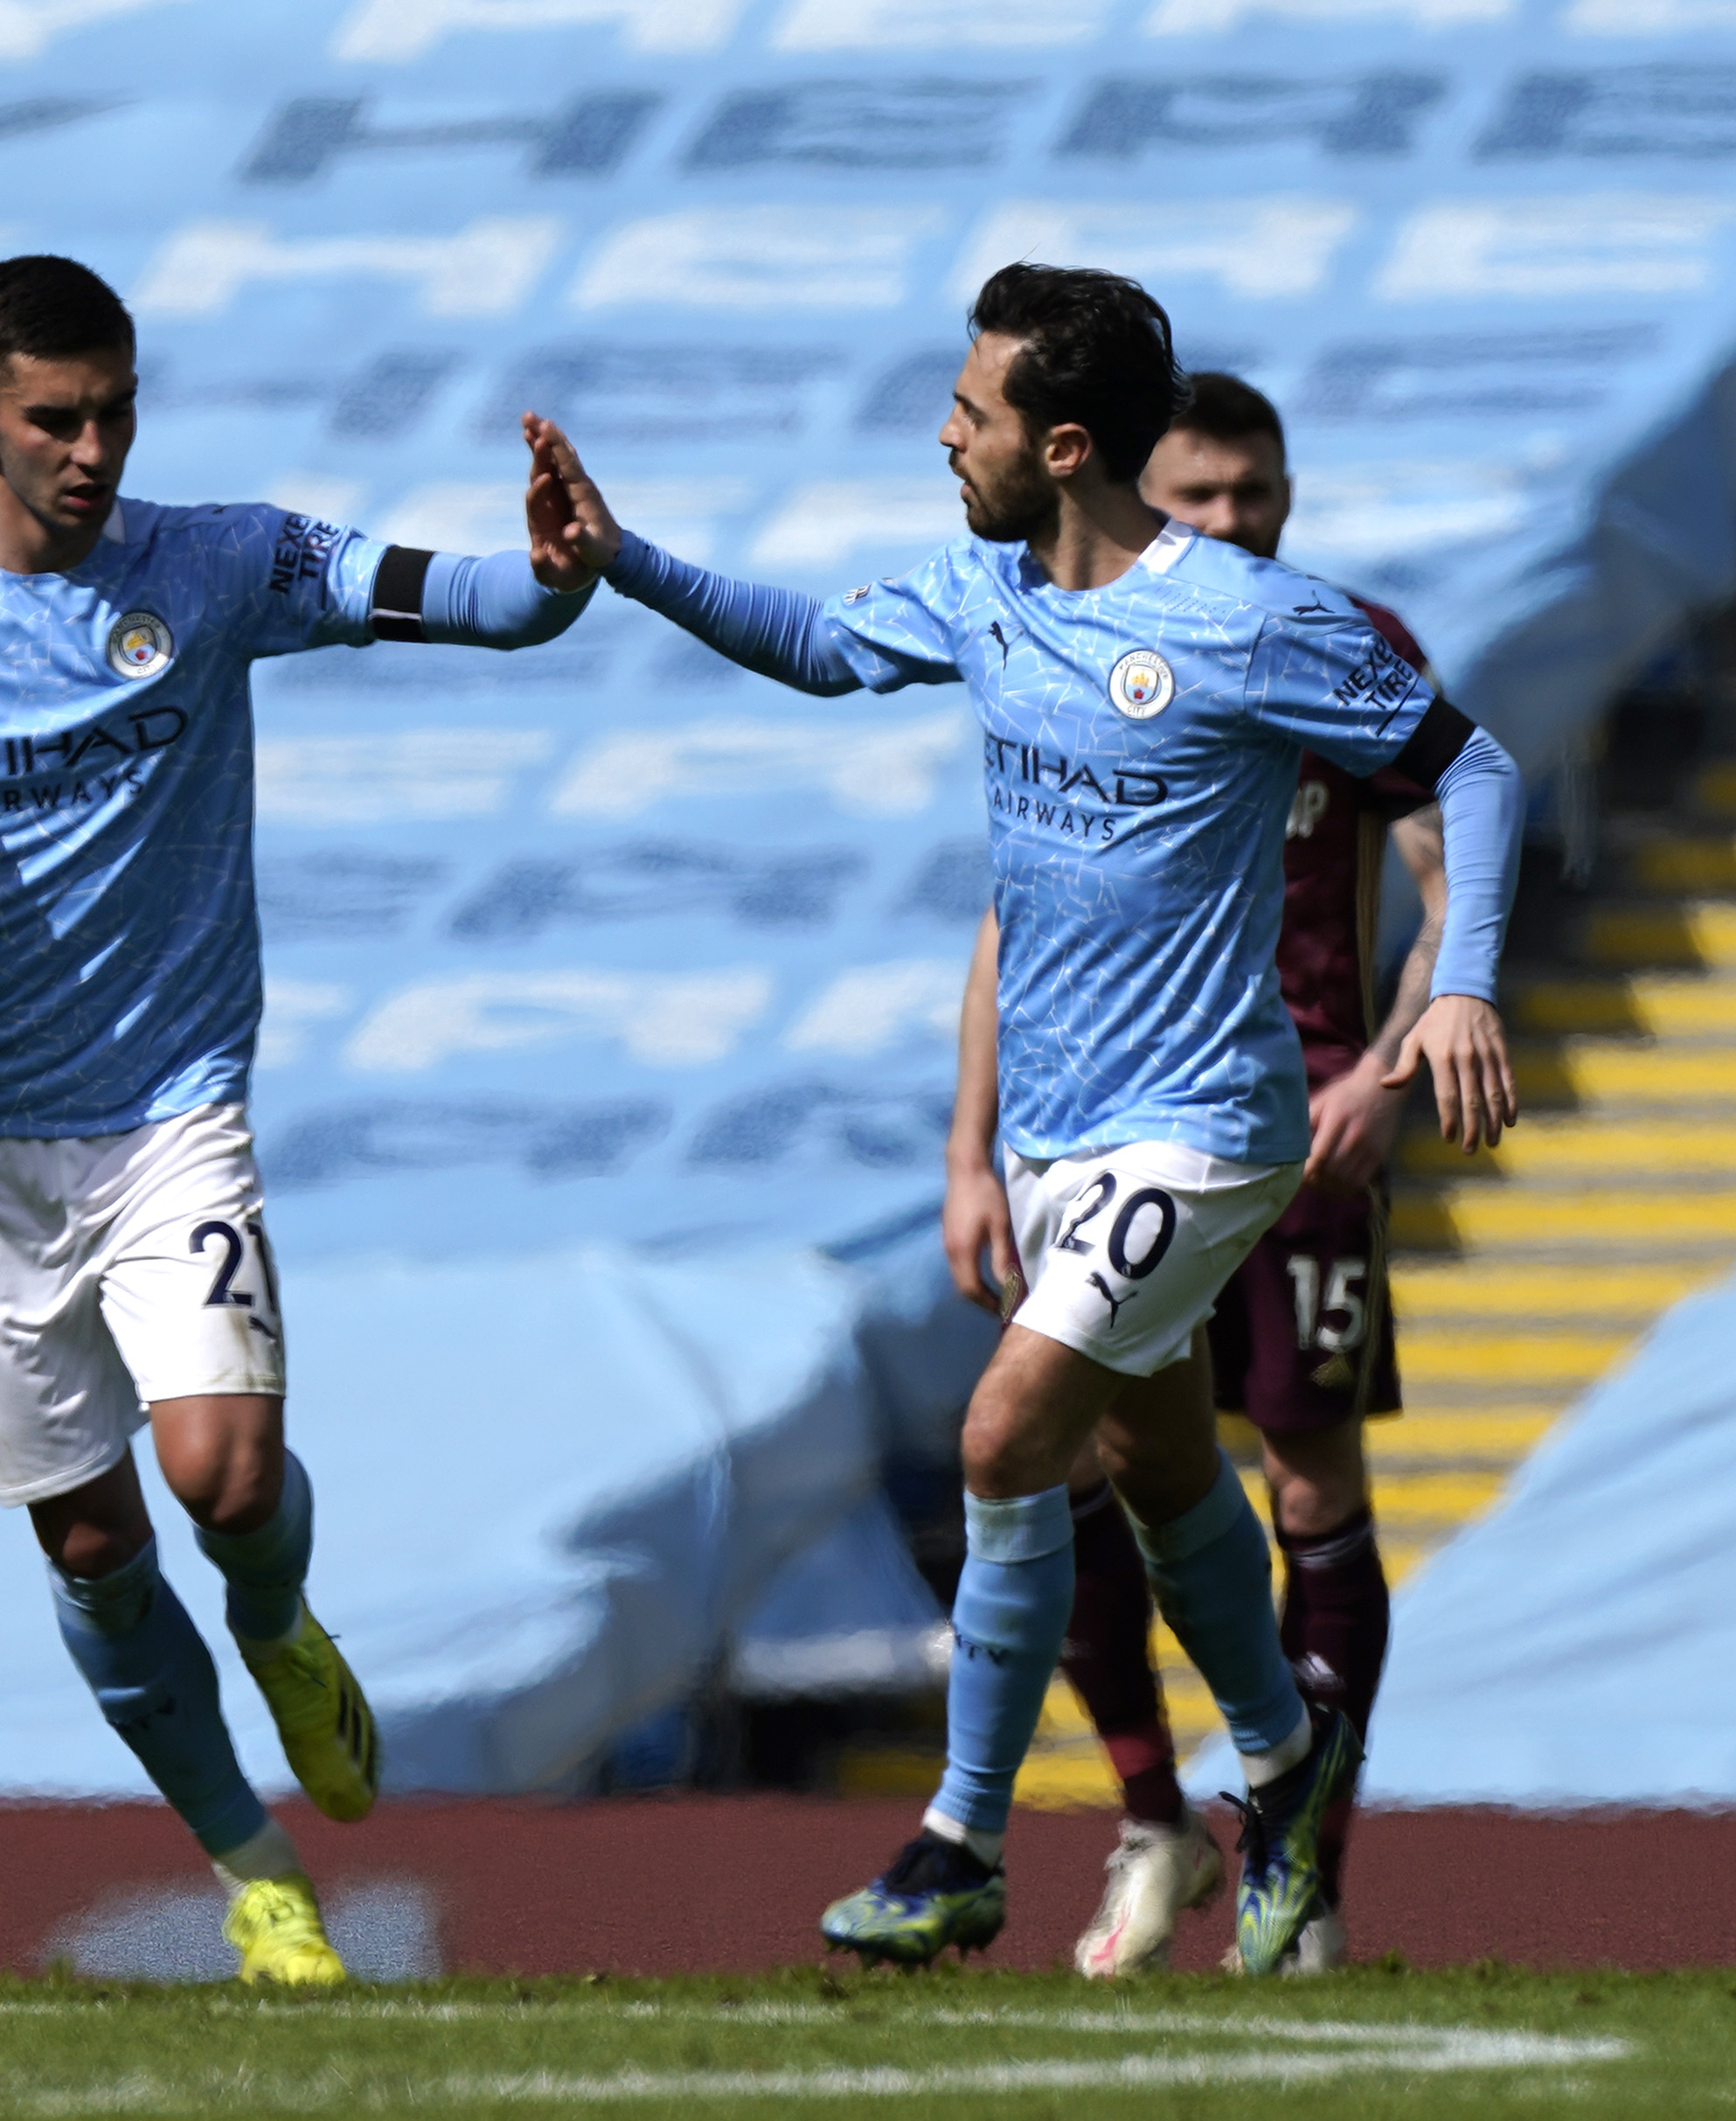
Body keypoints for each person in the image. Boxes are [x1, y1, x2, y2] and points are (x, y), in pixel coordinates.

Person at [0, 254, 618, 1985]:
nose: (89, 452)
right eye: (51, 422)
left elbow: (450, 596)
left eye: (113, 414)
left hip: (167, 1110)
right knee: (89, 1543)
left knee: (219, 1479)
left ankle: (275, 1621)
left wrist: (545, 577)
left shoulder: (215, 561)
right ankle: (254, 1869)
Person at [593, 264, 1519, 1974]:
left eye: (970, 411)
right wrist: (624, 561)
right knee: (1155, 1465)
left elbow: (1467, 768)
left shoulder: (1243, 620)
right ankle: (1286, 1761)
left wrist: (1452, 983)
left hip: (1205, 1126)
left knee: (999, 1436)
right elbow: (810, 644)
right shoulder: (980, 591)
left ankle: (959, 1840)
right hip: (1057, 1134)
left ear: (1064, 441)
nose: (943, 435)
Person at [944, 372, 1448, 1977]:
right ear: (1142, 490)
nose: (1235, 518)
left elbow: (1440, 870)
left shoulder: (1330, 641)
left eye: (1259, 492)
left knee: (1308, 1488)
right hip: (1098, 1124)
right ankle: (1153, 1820)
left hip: (1294, 1125)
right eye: (1206, 494)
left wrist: (1394, 1058)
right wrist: (963, 1152)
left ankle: (1306, 1885)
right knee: (1090, 1451)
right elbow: (1008, 917)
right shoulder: (1071, 635)